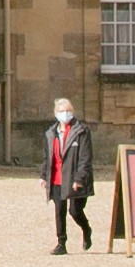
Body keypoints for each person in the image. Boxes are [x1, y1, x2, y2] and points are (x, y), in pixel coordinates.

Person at [45, 97, 94, 253]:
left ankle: (86, 230)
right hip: (57, 178)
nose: (64, 113)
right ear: (55, 113)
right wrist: (42, 176)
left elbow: (85, 157)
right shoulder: (51, 133)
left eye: (68, 110)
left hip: (74, 178)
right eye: (61, 111)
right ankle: (61, 243)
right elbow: (48, 157)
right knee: (59, 210)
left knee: (75, 211)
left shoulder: (81, 130)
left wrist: (79, 178)